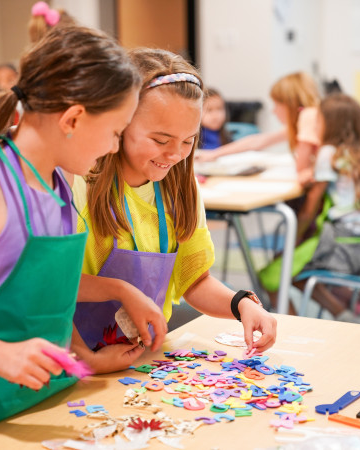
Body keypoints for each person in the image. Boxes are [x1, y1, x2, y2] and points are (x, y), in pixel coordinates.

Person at [0, 26, 140, 438]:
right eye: (116, 132)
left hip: (36, 407)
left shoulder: (58, 184)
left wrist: (119, 294)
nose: (115, 148)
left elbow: (32, 288)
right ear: (73, 118)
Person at [71, 48, 277, 374]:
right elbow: (53, 288)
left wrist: (241, 304)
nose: (174, 154)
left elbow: (192, 279)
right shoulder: (80, 181)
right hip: (75, 360)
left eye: (188, 141)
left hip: (141, 359)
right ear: (121, 124)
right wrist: (87, 359)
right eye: (160, 139)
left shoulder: (179, 186)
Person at [263, 93, 360, 321]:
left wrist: (294, 241)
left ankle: (299, 330)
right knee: (291, 263)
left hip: (344, 246)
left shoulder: (329, 154)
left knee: (280, 269)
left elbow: (309, 209)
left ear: (329, 124)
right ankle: (348, 310)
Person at [196, 72, 320, 184]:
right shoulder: (309, 117)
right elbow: (257, 141)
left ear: (289, 103)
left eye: (277, 104)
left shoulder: (308, 115)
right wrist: (214, 154)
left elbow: (301, 168)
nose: (274, 111)